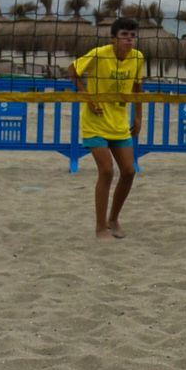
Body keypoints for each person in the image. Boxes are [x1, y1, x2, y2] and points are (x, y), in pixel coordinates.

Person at [69, 16, 144, 240]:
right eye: (124, 35)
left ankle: (113, 219)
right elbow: (72, 71)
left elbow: (138, 88)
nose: (129, 39)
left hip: (119, 122)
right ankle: (100, 227)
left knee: (129, 171)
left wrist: (138, 116)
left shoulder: (138, 57)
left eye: (132, 36)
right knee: (107, 170)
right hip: (96, 122)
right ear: (114, 38)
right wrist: (88, 98)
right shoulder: (99, 54)